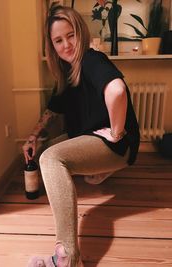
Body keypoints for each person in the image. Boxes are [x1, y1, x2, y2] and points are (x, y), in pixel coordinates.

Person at [23, 3, 140, 267]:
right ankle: (96, 173)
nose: (66, 44)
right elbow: (52, 110)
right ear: (52, 45)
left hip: (116, 144)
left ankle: (67, 258)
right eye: (58, 40)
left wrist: (116, 132)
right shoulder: (67, 73)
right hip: (93, 136)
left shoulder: (91, 59)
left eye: (71, 35)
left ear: (81, 31)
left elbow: (117, 91)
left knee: (51, 160)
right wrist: (32, 139)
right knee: (44, 152)